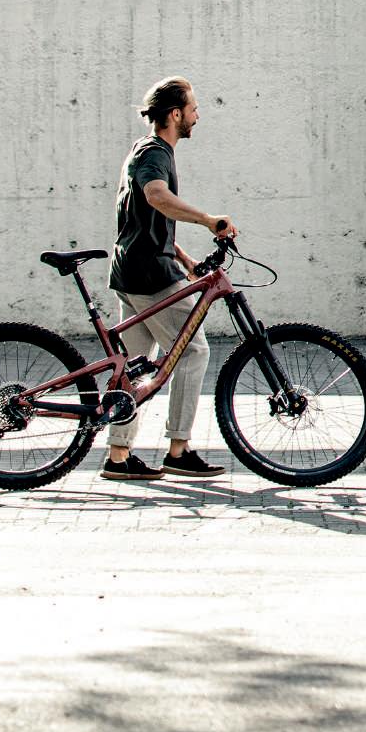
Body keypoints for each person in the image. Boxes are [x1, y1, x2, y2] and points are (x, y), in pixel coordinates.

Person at [102, 77, 235, 482]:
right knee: (193, 351)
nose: (198, 115)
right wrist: (208, 220)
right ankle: (179, 449)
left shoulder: (143, 149)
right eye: (193, 108)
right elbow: (156, 197)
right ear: (176, 114)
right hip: (150, 276)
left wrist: (184, 257)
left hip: (130, 270)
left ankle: (119, 456)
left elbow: (146, 220)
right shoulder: (156, 153)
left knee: (134, 367)